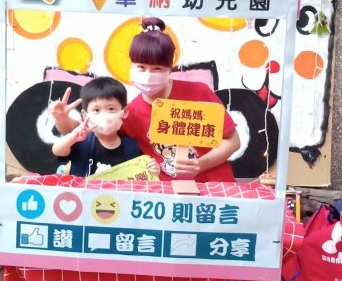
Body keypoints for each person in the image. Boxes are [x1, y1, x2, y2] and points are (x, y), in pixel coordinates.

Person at [121, 16, 240, 182]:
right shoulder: (129, 114)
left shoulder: (199, 92)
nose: (148, 75)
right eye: (141, 67)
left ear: (170, 68)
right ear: (131, 65)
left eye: (157, 69)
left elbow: (233, 141)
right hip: (168, 194)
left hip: (215, 188)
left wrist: (201, 164)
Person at [52, 76, 160, 177]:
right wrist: (72, 136)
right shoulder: (81, 141)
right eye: (96, 110)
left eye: (111, 109)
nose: (104, 115)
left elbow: (141, 174)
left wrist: (153, 169)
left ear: (125, 112)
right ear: (85, 115)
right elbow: (57, 150)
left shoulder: (132, 147)